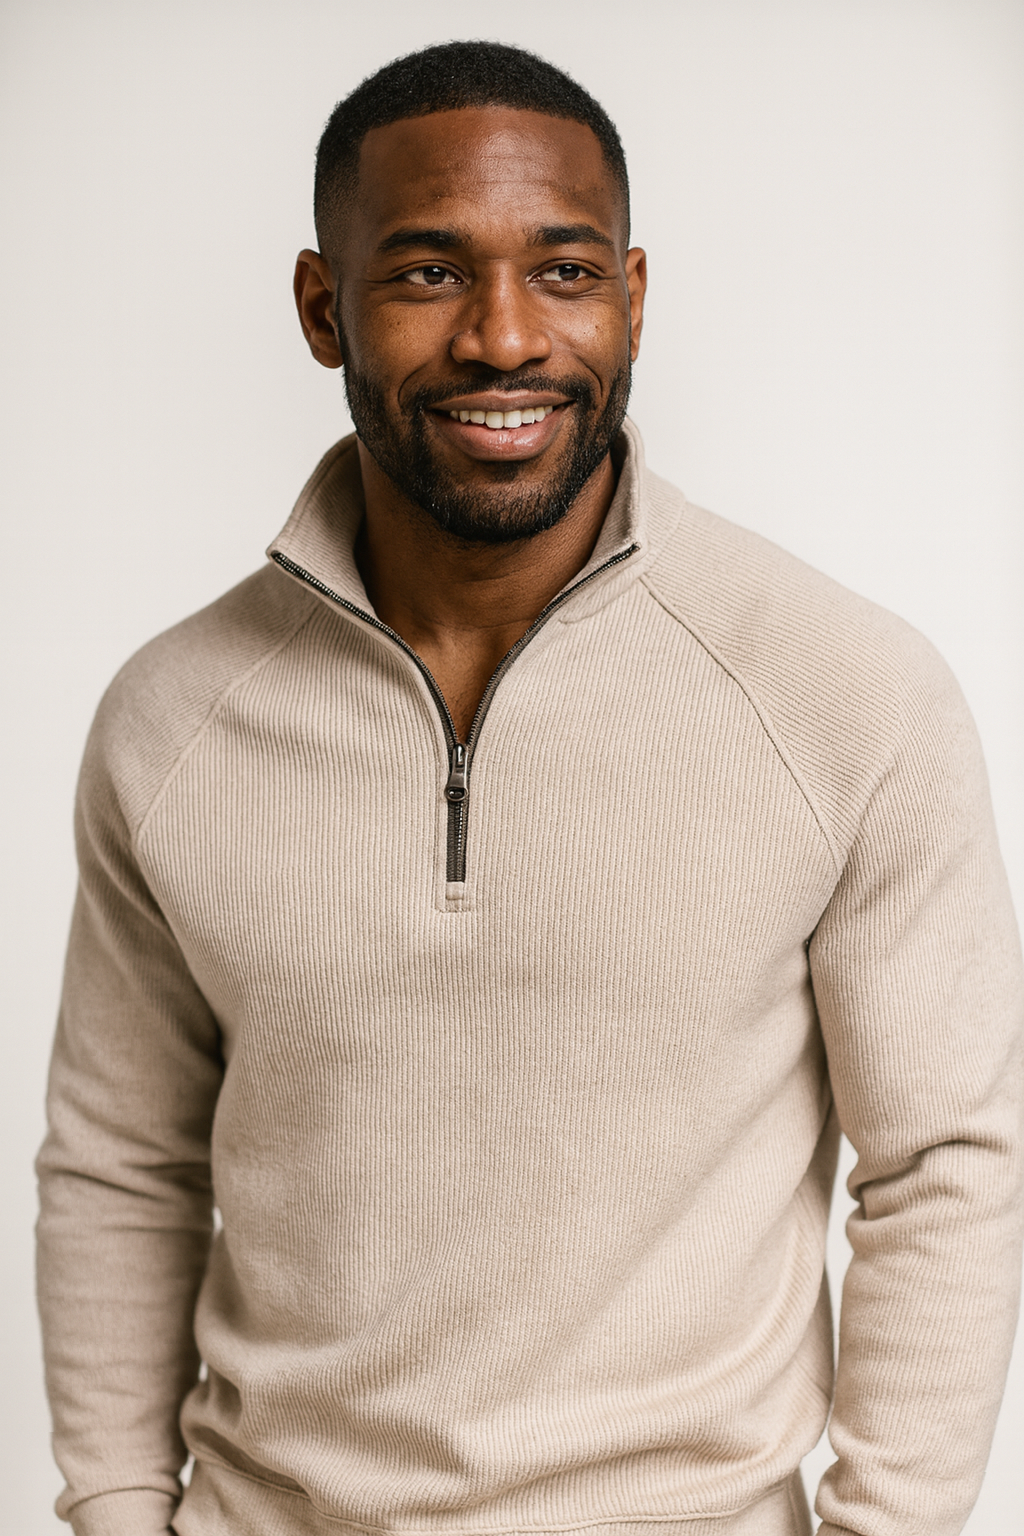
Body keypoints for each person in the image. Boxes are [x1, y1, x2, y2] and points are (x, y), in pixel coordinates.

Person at [36, 39, 1023, 1536]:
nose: (504, 338)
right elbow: (123, 1168)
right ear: (322, 307)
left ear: (633, 296)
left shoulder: (845, 694)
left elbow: (946, 1165)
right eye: (429, 273)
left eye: (564, 273)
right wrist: (116, 1511)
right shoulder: (173, 719)